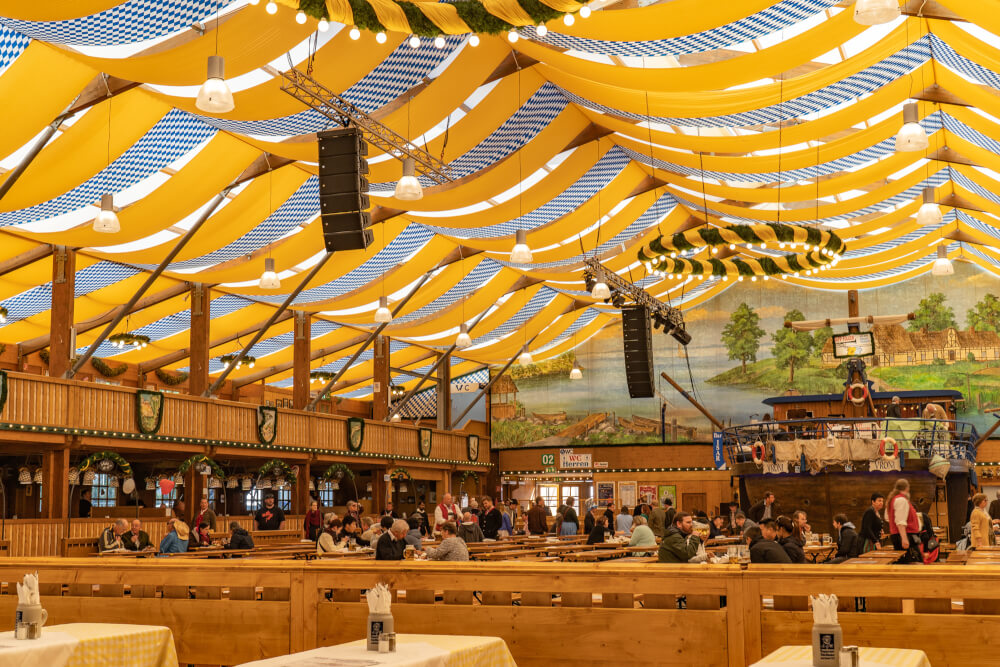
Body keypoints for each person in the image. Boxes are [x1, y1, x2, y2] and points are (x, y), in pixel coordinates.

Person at [887, 478, 922, 563]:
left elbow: (887, 518)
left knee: (906, 562)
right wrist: (904, 538)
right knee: (911, 562)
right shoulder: (901, 500)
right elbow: (900, 521)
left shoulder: (893, 499)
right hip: (905, 535)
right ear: (907, 488)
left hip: (900, 535)